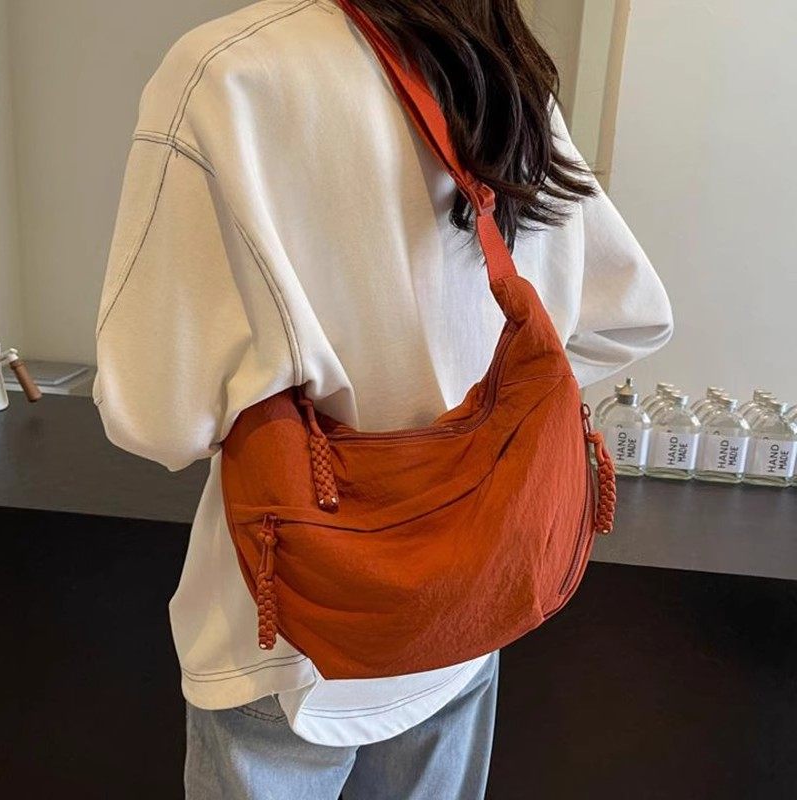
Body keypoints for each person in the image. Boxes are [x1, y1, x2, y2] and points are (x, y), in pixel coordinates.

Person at [93, 0, 674, 797]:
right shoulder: (496, 66)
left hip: (295, 636)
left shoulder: (226, 72)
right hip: (465, 615)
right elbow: (628, 316)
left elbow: (157, 415)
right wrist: (477, 419)